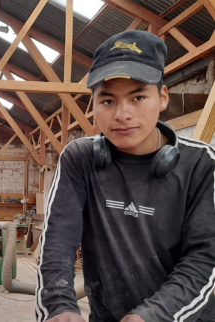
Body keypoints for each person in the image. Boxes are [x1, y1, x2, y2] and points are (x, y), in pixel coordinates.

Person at [35, 30, 215, 322]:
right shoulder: (80, 159)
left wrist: (151, 315)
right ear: (93, 105)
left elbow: (205, 258)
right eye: (107, 101)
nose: (122, 113)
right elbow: (58, 240)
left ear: (163, 98)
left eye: (138, 97)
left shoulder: (201, 164)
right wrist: (59, 306)